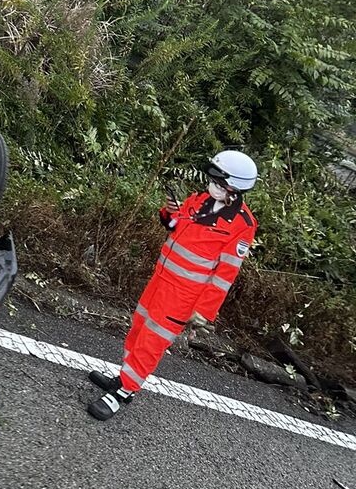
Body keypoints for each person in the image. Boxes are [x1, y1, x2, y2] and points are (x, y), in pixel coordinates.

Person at [87, 149, 259, 422]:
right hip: (160, 279)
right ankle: (124, 379)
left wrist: (204, 311)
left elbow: (225, 274)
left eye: (218, 182)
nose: (211, 185)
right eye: (212, 180)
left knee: (151, 342)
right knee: (138, 329)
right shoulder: (199, 199)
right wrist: (169, 214)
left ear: (234, 188)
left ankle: (125, 391)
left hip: (183, 296)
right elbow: (176, 225)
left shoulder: (242, 224)